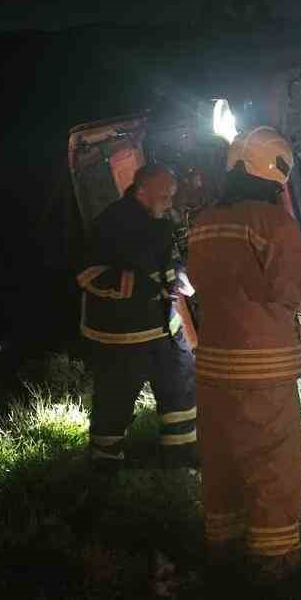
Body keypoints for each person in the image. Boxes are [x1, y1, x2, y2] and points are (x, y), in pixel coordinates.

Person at [186, 127, 301, 583]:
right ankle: (275, 562)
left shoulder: (205, 222)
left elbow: (198, 283)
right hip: (264, 366)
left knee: (222, 456)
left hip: (213, 366)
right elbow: (293, 291)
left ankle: (222, 546)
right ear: (276, 175)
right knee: (272, 459)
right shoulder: (273, 223)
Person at [76, 163, 198, 467]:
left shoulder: (160, 221)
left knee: (180, 386)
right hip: (121, 333)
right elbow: (88, 274)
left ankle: (180, 454)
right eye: (165, 195)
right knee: (116, 394)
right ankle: (105, 459)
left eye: (172, 196)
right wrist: (147, 287)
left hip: (165, 328)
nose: (170, 202)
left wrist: (178, 278)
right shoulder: (109, 224)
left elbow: (170, 260)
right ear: (142, 190)